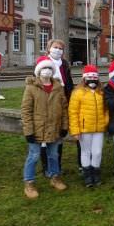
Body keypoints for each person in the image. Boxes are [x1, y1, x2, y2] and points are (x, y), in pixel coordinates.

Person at [21, 56, 68, 199]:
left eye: (49, 69)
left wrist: (64, 126)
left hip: (54, 127)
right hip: (37, 129)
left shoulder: (58, 88)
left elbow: (64, 108)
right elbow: (26, 111)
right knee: (34, 156)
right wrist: (28, 131)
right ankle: (29, 182)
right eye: (44, 69)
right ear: (38, 71)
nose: (46, 71)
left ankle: (55, 177)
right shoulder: (31, 88)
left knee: (54, 155)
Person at [68, 65, 108, 187]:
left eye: (94, 77)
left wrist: (105, 122)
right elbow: (73, 112)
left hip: (99, 129)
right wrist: (75, 130)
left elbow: (106, 110)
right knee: (85, 152)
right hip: (84, 129)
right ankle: (87, 175)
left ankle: (96, 173)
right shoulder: (77, 93)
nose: (92, 79)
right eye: (89, 77)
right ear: (84, 78)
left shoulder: (101, 92)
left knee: (97, 152)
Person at [40, 39, 75, 175]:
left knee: (59, 136)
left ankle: (57, 166)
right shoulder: (43, 63)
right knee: (45, 137)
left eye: (61, 48)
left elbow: (69, 83)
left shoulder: (64, 64)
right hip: (46, 104)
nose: (58, 50)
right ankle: (46, 167)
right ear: (49, 48)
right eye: (55, 47)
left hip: (62, 103)